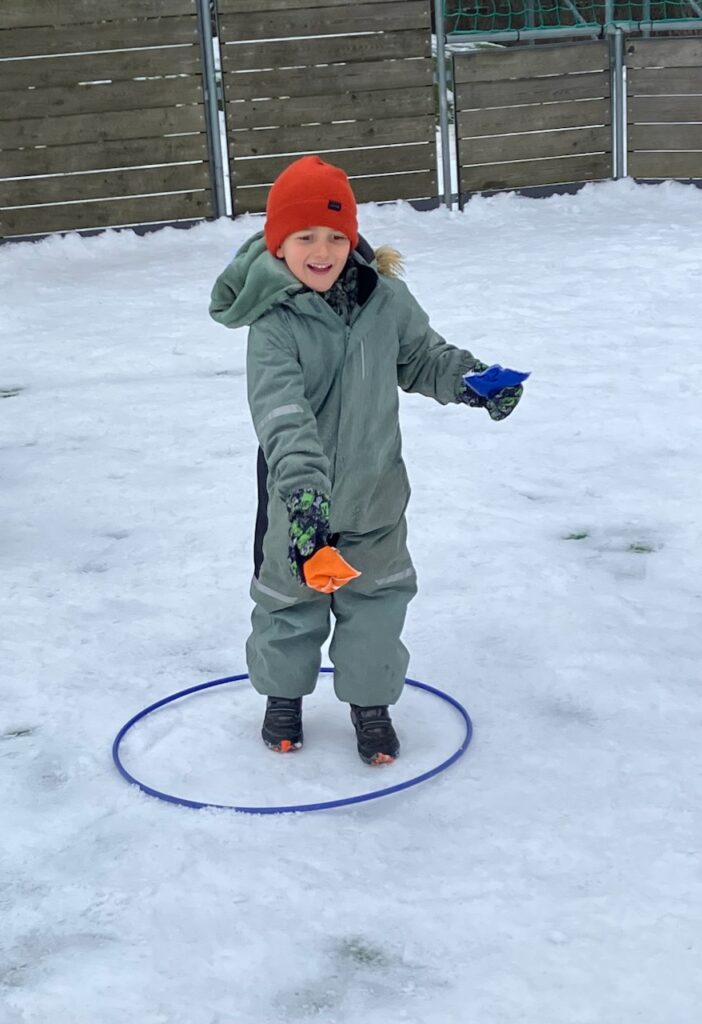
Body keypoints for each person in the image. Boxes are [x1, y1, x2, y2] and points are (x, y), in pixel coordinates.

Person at [209, 155, 525, 765]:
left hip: (377, 491)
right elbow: (282, 415)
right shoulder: (273, 323)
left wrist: (472, 382)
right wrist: (304, 501)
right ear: (279, 244)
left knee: (378, 604)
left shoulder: (386, 299)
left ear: (352, 238)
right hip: (298, 495)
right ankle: (283, 697)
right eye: (305, 237)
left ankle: (371, 706)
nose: (321, 251)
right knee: (289, 604)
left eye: (335, 236)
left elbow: (422, 357)